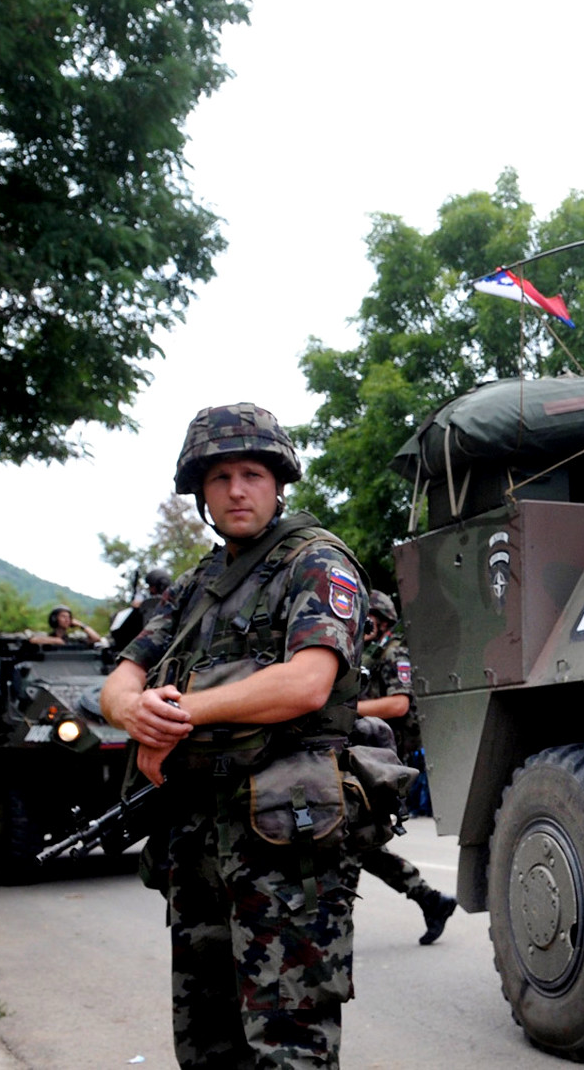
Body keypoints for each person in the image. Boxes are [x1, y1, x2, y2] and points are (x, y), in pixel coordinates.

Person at [99, 403, 368, 1069]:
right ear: (201, 493)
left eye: (251, 474)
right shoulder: (195, 587)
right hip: (196, 841)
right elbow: (119, 678)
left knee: (289, 1049)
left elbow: (307, 681)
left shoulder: (316, 562)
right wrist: (134, 712)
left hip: (284, 844)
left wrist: (185, 710)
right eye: (219, 478)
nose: (236, 490)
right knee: (206, 1040)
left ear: (278, 484)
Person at [352, 588, 456, 945]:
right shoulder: (367, 654)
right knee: (357, 841)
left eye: (365, 620)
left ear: (379, 621)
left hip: (384, 762)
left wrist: (345, 710)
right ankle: (430, 900)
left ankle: (331, 934)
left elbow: (398, 704)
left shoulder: (394, 652)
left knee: (353, 840)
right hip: (367, 757)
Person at [35, 605, 100, 646]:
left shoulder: (73, 639)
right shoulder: (45, 636)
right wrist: (55, 640)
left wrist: (81, 625)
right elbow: (33, 639)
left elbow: (96, 638)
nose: (67, 620)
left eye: (69, 617)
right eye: (63, 616)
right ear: (54, 619)